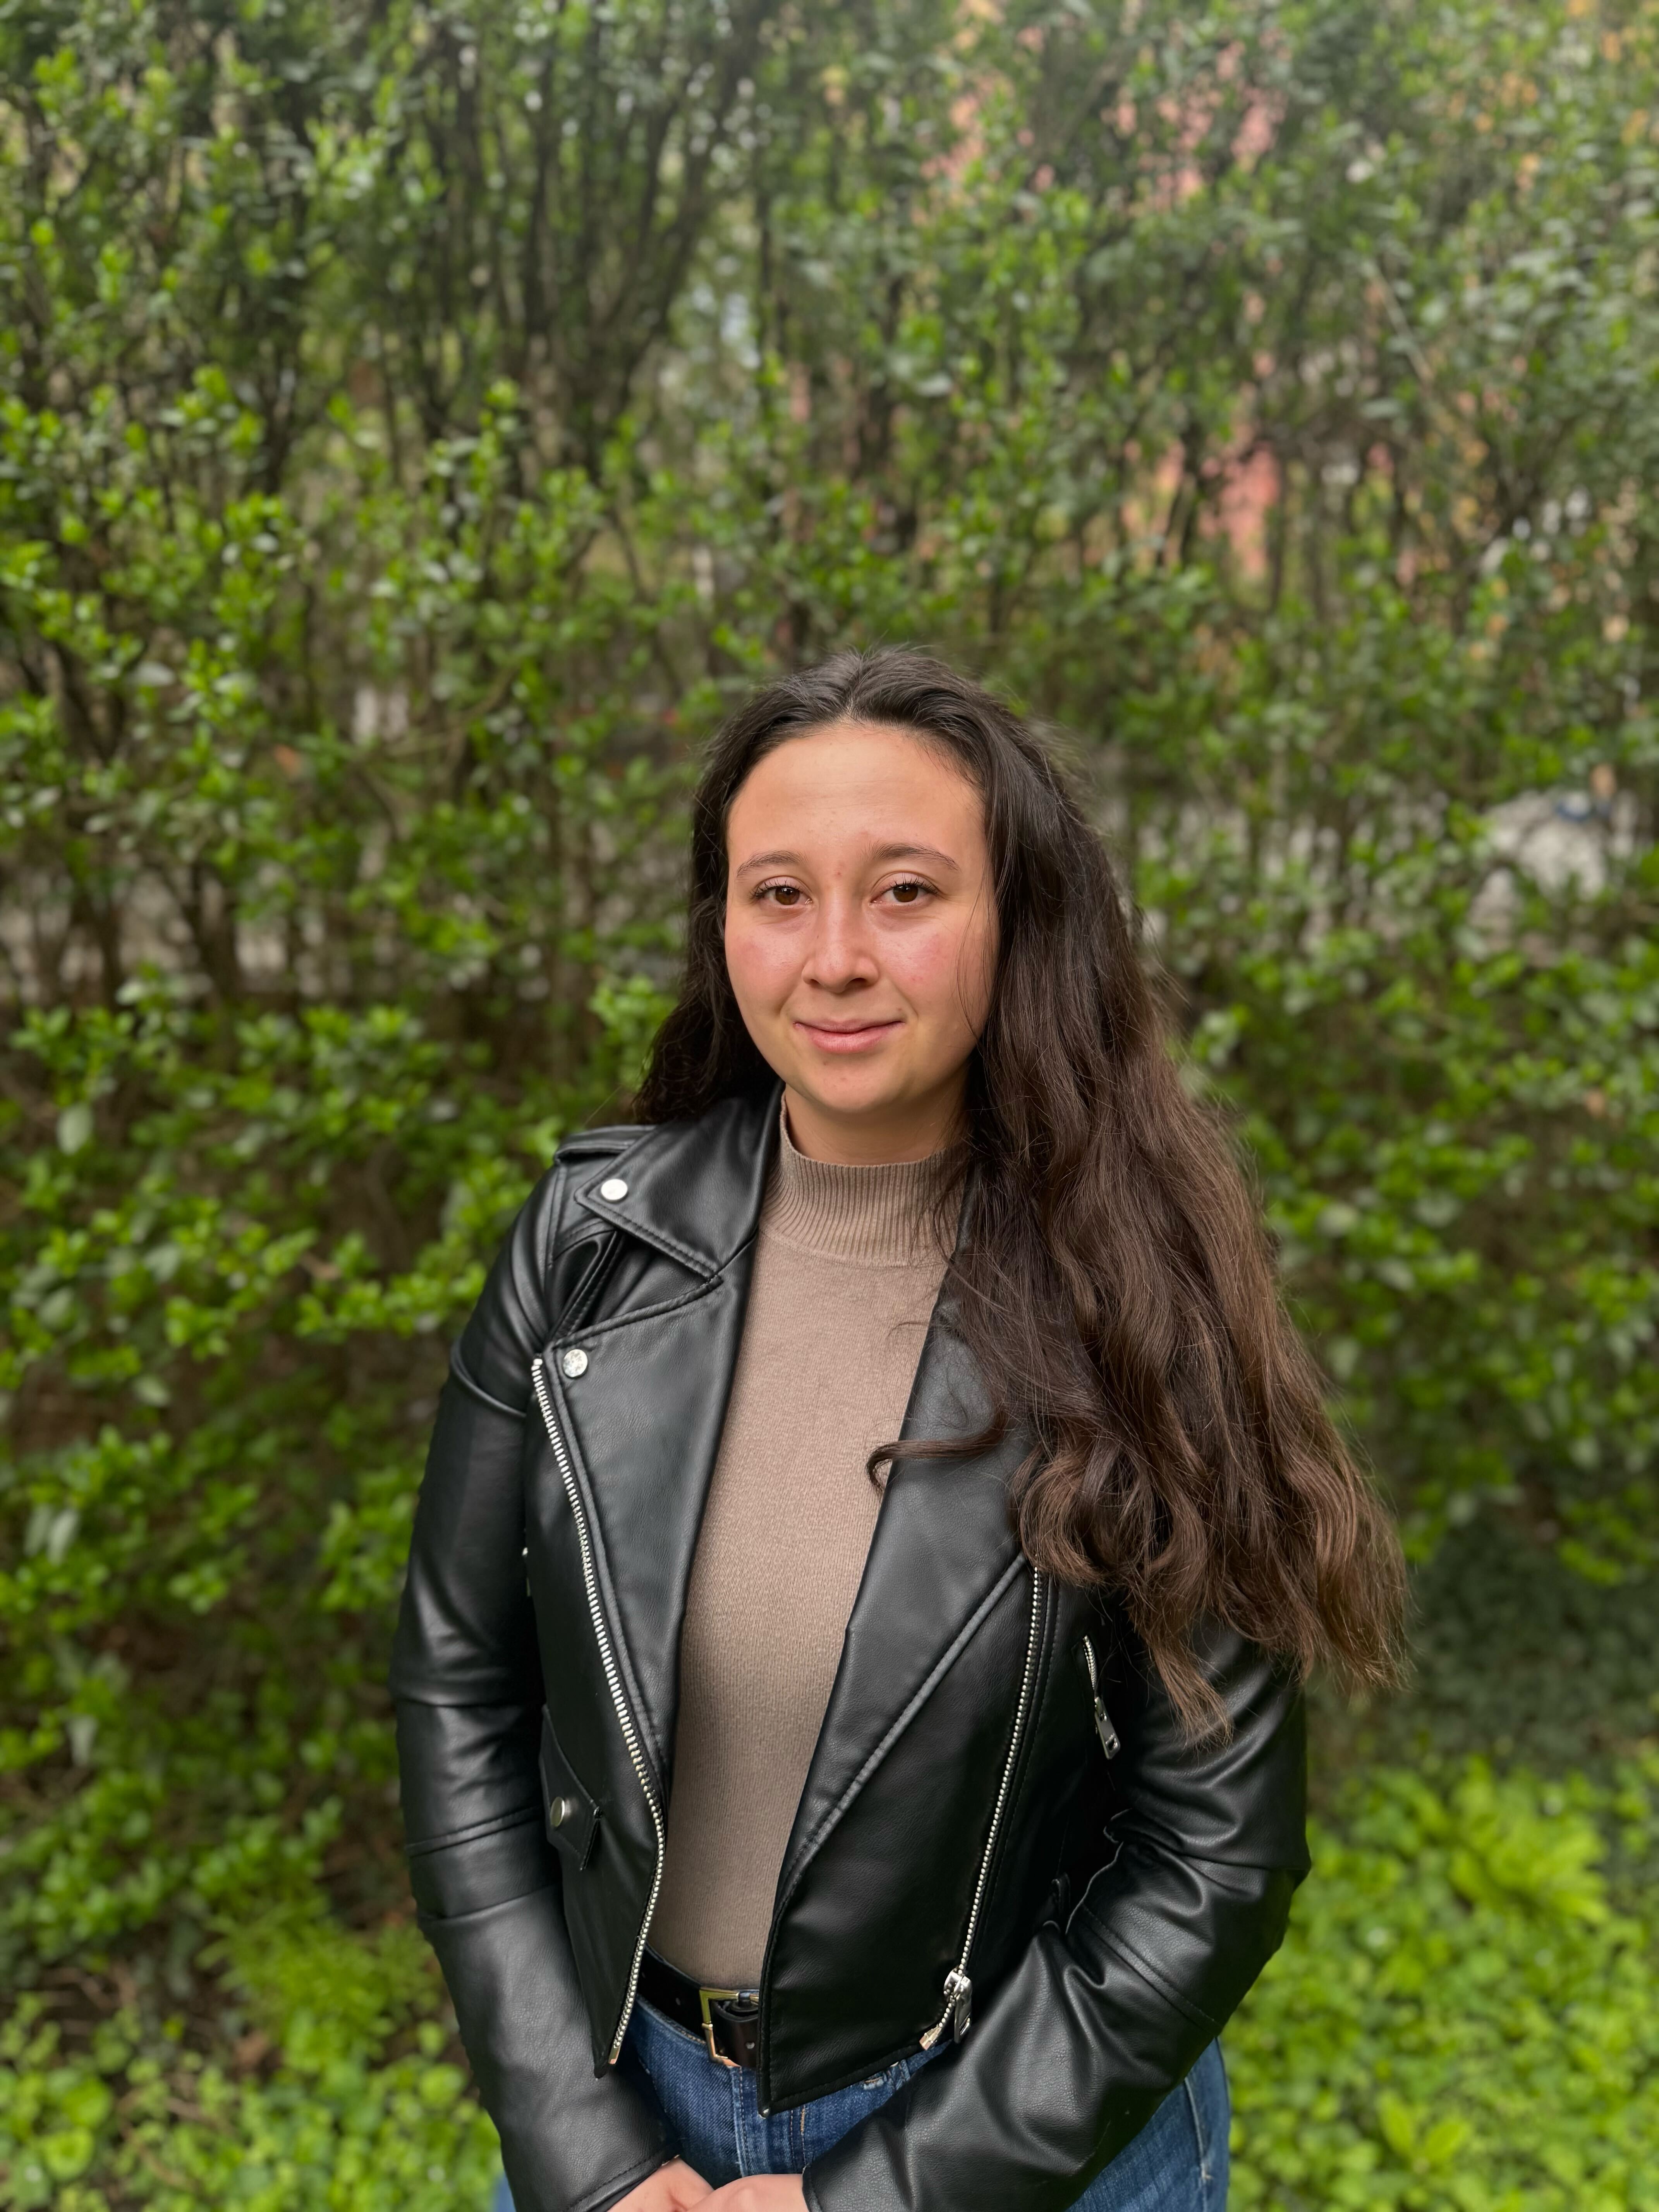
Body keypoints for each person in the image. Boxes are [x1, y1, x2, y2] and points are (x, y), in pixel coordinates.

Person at [391, 650, 1403, 2212]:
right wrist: (578, 2142)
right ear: (722, 927)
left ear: (1017, 922)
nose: (836, 957)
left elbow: (1216, 1858)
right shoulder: (588, 1249)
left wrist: (883, 2195)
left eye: (907, 892)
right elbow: (458, 1685)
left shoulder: (1138, 1297)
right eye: (779, 894)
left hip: (1017, 2139)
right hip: (627, 2117)